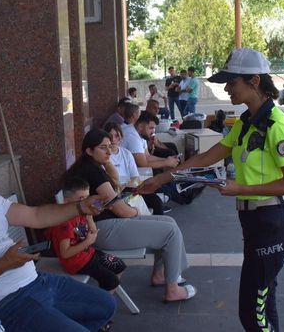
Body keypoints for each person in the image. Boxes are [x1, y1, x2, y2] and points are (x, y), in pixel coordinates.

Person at [138, 47, 284, 332]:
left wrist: (240, 188)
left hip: (270, 223)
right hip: (255, 223)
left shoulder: (276, 125)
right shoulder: (248, 122)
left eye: (232, 82)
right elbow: (206, 157)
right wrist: (163, 179)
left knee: (252, 312)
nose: (227, 88)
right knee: (262, 303)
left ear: (254, 81)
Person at [0, 138, 115, 332]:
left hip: (36, 282)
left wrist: (80, 207)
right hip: (4, 306)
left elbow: (36, 216)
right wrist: (5, 263)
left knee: (106, 305)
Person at [64, 129, 196, 302]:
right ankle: (172, 289)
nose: (109, 151)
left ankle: (160, 274)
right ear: (89, 150)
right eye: (103, 148)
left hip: (102, 224)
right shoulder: (92, 171)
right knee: (169, 232)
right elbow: (119, 209)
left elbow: (115, 189)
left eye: (109, 147)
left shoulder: (91, 166)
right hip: (100, 230)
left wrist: (109, 165)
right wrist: (136, 212)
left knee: (169, 221)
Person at [45, 177, 127, 292]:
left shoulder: (81, 211)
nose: (85, 201)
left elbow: (92, 230)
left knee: (119, 265)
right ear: (66, 201)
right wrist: (88, 241)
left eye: (87, 197)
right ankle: (103, 303)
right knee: (111, 281)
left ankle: (107, 294)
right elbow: (65, 253)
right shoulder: (64, 223)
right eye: (81, 198)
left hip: (88, 253)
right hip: (76, 263)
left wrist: (89, 215)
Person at [103, 122, 170, 215]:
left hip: (129, 190)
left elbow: (135, 176)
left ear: (121, 137)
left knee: (156, 201)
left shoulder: (126, 153)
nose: (113, 140)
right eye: (110, 137)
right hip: (114, 193)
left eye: (116, 136)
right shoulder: (104, 156)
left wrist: (132, 188)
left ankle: (158, 226)